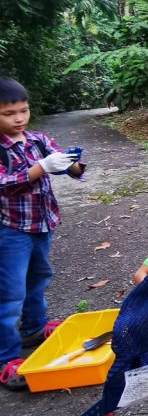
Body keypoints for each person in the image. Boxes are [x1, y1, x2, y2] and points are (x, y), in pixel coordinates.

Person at [0, 78, 86, 390]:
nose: (18, 118)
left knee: (39, 277)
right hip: (11, 230)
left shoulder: (37, 139)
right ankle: (6, 358)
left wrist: (72, 165)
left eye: (23, 110)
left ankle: (34, 328)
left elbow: (63, 163)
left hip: (42, 224)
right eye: (9, 113)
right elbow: (5, 183)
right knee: (9, 294)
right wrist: (41, 168)